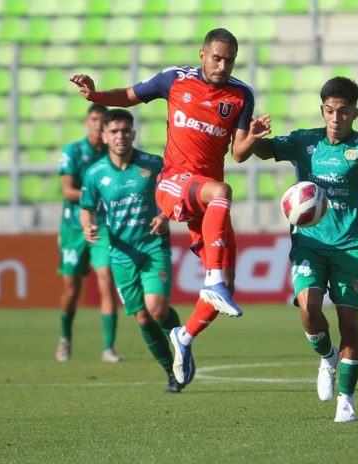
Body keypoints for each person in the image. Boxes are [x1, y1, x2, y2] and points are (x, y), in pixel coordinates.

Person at [69, 28, 270, 387]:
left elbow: (237, 153)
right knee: (222, 193)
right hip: (175, 183)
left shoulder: (241, 95)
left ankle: (185, 336)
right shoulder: (174, 79)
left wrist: (252, 138)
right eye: (217, 58)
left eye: (229, 60)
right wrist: (95, 93)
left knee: (230, 281)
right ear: (202, 54)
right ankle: (211, 282)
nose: (222, 65)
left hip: (203, 195)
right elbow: (129, 96)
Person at [249, 77, 358, 422]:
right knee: (309, 309)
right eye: (330, 111)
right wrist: (255, 134)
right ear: (322, 110)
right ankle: (327, 356)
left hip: (348, 247)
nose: (336, 118)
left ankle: (346, 400)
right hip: (310, 244)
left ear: (355, 113)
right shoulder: (305, 142)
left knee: (350, 324)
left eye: (344, 112)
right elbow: (265, 150)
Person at [79, 109, 188, 393]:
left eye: (125, 131)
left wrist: (165, 216)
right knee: (142, 317)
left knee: (157, 309)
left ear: (133, 134)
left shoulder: (153, 165)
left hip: (153, 247)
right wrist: (88, 226)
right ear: (104, 136)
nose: (120, 136)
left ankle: (183, 347)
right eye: (114, 131)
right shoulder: (95, 174)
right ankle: (171, 371)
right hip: (121, 254)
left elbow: (174, 194)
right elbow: (87, 209)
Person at [56, 103, 121, 364]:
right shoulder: (72, 151)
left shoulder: (113, 154)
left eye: (101, 120)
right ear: (87, 121)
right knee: (72, 291)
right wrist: (96, 195)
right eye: (93, 119)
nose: (97, 124)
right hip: (74, 226)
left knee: (105, 278)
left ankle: (108, 347)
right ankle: (65, 337)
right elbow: (67, 190)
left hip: (103, 226)